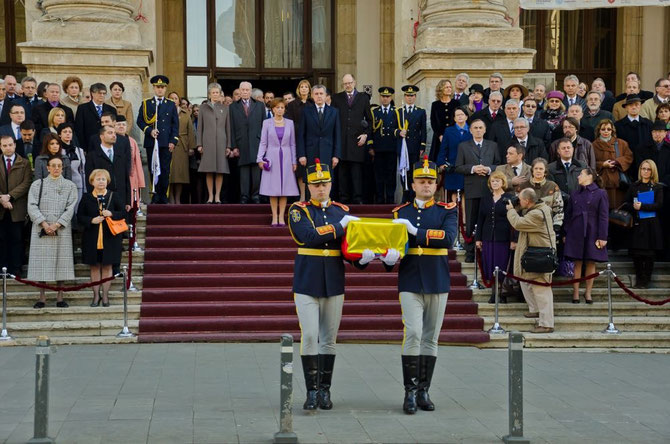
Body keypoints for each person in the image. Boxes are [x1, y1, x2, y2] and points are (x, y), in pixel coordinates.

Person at [287, 160, 370, 411]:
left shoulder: (341, 210)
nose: (321, 189)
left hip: (333, 278)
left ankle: (325, 390)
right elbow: (308, 237)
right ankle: (311, 391)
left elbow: (348, 250)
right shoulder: (298, 210)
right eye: (316, 185)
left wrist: (364, 258)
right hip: (307, 279)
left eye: (324, 184)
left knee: (329, 339)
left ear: (331, 184)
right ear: (307, 186)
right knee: (310, 335)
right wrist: (339, 227)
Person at [387, 156, 457, 414]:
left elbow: (448, 238)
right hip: (410, 277)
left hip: (437, 278)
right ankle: (409, 391)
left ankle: (423, 390)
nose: (426, 185)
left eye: (430, 181)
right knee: (414, 332)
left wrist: (415, 233)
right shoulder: (400, 212)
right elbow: (392, 248)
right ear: (413, 184)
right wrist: (387, 257)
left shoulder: (447, 210)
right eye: (421, 181)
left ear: (436, 184)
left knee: (430, 337)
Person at [27, 156, 78, 308]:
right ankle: (42, 298)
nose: (56, 168)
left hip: (61, 228)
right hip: (41, 228)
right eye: (53, 165)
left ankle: (60, 297)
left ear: (63, 168)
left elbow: (71, 207)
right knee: (41, 264)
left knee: (61, 263)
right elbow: (31, 205)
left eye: (59, 166)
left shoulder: (70, 185)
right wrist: (43, 223)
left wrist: (57, 224)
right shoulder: (38, 184)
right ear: (47, 167)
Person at [506, 187, 556, 333]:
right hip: (535, 254)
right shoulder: (540, 207)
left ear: (527, 201)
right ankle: (535, 309)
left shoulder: (537, 214)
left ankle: (546, 324)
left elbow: (518, 224)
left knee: (541, 289)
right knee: (525, 282)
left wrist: (511, 209)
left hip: (540, 256)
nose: (518, 202)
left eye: (520, 199)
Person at [454, 119, 500, 262]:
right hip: (472, 189)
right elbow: (458, 167)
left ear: (485, 130)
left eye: (481, 127)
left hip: (489, 189)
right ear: (471, 130)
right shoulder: (463, 146)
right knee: (471, 220)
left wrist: (488, 169)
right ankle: (470, 253)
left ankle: (486, 251)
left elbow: (498, 164)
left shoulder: (492, 145)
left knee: (487, 221)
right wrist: (473, 169)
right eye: (475, 128)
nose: (478, 130)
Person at [78, 169, 125, 306]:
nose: (101, 182)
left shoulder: (114, 196)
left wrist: (112, 213)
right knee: (94, 266)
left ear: (107, 181)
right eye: (98, 179)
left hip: (110, 238)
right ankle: (95, 296)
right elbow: (79, 217)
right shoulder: (87, 197)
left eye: (103, 179)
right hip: (92, 237)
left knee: (107, 266)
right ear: (92, 181)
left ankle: (105, 296)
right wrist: (91, 220)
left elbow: (123, 213)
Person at [563, 168, 608, 304]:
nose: (578, 177)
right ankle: (575, 292)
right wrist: (566, 232)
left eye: (581, 174)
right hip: (575, 231)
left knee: (590, 262)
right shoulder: (575, 193)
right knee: (576, 262)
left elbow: (604, 216)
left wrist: (603, 236)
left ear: (589, 176)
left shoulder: (600, 193)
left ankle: (588, 292)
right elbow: (568, 215)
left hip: (593, 231)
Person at [136, 75, 179, 204]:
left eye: (162, 87)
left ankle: (163, 195)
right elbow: (140, 121)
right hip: (151, 142)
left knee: (165, 169)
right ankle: (154, 194)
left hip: (166, 143)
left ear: (165, 89)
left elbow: (174, 125)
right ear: (153, 88)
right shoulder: (146, 104)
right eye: (157, 87)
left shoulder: (170, 104)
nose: (160, 90)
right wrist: (149, 131)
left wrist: (173, 141)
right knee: (152, 168)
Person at [330, 74, 373, 204]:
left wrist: (365, 135)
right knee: (342, 174)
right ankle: (343, 199)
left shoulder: (363, 98)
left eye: (350, 83)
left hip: (357, 142)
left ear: (354, 82)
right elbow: (333, 119)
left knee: (356, 174)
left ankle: (357, 199)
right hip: (341, 142)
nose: (348, 85)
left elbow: (370, 120)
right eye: (345, 83)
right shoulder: (337, 98)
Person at [257, 98, 298, 225]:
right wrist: (259, 158)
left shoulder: (290, 123)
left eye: (282, 107)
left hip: (286, 157)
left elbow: (292, 144)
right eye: (277, 107)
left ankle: (282, 216)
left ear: (284, 109)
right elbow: (263, 142)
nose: (280, 109)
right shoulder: (267, 123)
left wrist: (294, 161)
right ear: (273, 109)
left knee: (284, 188)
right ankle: (274, 216)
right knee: (273, 189)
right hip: (272, 156)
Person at [476, 171, 515, 303]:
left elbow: (514, 220)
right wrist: (478, 239)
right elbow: (480, 218)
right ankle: (493, 293)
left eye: (497, 181)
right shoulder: (485, 198)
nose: (495, 183)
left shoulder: (509, 197)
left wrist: (513, 239)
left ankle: (501, 293)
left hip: (503, 238)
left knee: (501, 265)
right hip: (488, 237)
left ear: (503, 182)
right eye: (493, 181)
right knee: (490, 264)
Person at [624, 160, 663, 288]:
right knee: (637, 253)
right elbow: (626, 203)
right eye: (643, 169)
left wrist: (643, 206)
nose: (645, 171)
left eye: (648, 169)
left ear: (653, 171)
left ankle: (646, 280)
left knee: (649, 254)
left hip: (651, 224)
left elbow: (659, 205)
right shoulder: (634, 186)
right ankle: (640, 279)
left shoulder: (657, 187)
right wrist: (634, 207)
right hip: (637, 223)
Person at [297, 85, 341, 197]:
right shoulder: (306, 111)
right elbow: (301, 134)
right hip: (310, 153)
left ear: (326, 96)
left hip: (328, 152)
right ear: (312, 96)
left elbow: (337, 135)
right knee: (311, 181)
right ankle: (310, 211)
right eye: (316, 94)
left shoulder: (334, 112)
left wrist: (336, 155)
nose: (319, 96)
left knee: (326, 182)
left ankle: (325, 210)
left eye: (321, 94)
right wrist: (301, 154)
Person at [0, 135, 32, 277]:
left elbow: (26, 183)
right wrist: (1, 198)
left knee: (17, 239)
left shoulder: (24, 163)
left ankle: (16, 268)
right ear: (1, 147)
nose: (8, 148)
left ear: (14, 145)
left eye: (10, 145)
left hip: (17, 207)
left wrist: (10, 196)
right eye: (4, 145)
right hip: (0, 207)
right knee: (1, 239)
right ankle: (2, 267)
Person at [229, 81, 264, 204]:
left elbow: (264, 125)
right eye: (242, 90)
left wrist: (264, 144)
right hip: (241, 142)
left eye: (247, 90)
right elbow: (231, 128)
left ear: (251, 91)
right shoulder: (233, 107)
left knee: (256, 171)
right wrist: (234, 146)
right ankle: (244, 196)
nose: (245, 92)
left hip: (256, 142)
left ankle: (255, 196)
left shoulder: (259, 105)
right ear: (239, 91)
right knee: (243, 171)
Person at [197, 83, 231, 204]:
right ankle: (210, 196)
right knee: (209, 170)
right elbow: (200, 127)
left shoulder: (225, 108)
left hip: (221, 142)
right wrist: (199, 144)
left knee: (220, 170)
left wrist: (228, 145)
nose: (215, 95)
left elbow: (228, 128)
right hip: (207, 142)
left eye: (217, 92)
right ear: (209, 94)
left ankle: (217, 196)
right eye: (213, 92)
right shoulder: (203, 108)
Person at [84, 126, 131, 210]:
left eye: (114, 133)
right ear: (101, 136)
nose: (114, 135)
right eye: (110, 133)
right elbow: (89, 180)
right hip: (101, 199)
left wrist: (128, 201)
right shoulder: (92, 156)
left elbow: (126, 178)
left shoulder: (121, 155)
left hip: (121, 198)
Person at [592, 119, 633, 209]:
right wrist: (603, 164)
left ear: (612, 130)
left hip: (619, 183)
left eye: (608, 129)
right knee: (604, 209)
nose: (606, 131)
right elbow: (590, 162)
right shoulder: (593, 145)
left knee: (619, 211)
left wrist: (617, 162)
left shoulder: (621, 143)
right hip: (603, 182)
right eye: (603, 129)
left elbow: (629, 157)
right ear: (599, 131)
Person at [396, 85, 427, 201]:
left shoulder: (420, 111)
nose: (410, 98)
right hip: (403, 146)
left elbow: (423, 130)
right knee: (404, 170)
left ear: (415, 97)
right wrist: (399, 132)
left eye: (412, 95)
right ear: (404, 97)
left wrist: (422, 145)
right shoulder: (399, 111)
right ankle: (405, 193)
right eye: (408, 96)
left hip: (415, 146)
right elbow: (394, 128)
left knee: (414, 170)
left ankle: (413, 195)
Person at [286, 79, 313, 202]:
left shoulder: (312, 103)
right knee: (300, 171)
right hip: (297, 139)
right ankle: (302, 196)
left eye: (306, 87)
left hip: (311, 140)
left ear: (309, 89)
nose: (303, 89)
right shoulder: (292, 105)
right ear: (298, 89)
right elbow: (289, 123)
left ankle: (311, 196)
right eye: (301, 87)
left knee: (311, 168)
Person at [369, 87, 398, 204]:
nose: (385, 99)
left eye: (387, 97)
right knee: (379, 175)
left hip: (391, 147)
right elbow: (370, 130)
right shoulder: (374, 112)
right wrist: (370, 146)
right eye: (383, 96)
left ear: (391, 98)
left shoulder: (396, 111)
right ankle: (380, 198)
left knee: (390, 175)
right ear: (380, 97)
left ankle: (390, 199)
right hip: (378, 148)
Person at [615, 95, 654, 178]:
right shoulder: (618, 126)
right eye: (630, 105)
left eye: (636, 104)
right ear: (626, 107)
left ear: (640, 106)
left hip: (645, 165)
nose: (634, 107)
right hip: (626, 166)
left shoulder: (648, 124)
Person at [519, 158, 564, 230]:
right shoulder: (523, 186)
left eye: (541, 169)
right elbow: (517, 207)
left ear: (545, 172)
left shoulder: (552, 186)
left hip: (546, 226)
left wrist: (556, 225)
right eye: (536, 168)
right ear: (532, 170)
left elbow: (558, 207)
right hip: (527, 226)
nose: (538, 171)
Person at [167, 91, 196, 204]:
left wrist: (191, 147)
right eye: (171, 98)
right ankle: (171, 198)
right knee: (170, 173)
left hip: (182, 145)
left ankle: (178, 198)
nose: (174, 100)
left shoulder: (185, 113)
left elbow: (190, 132)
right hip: (169, 145)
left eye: (175, 98)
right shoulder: (165, 112)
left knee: (180, 175)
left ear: (179, 101)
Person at [437, 107, 471, 201]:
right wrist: (441, 163)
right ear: (454, 118)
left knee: (466, 193)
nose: (460, 117)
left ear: (466, 117)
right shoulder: (448, 131)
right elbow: (443, 148)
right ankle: (454, 215)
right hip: (453, 166)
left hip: (467, 166)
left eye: (462, 114)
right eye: (457, 115)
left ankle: (464, 216)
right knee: (454, 193)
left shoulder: (472, 130)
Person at [75, 83, 116, 152]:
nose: (102, 95)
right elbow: (79, 130)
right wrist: (83, 148)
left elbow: (114, 128)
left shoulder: (111, 109)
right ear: (92, 93)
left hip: (108, 146)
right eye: (99, 93)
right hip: (89, 146)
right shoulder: (82, 108)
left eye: (104, 93)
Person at [114, 116, 144, 209]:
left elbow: (137, 161)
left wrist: (140, 180)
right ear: (114, 126)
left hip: (132, 173)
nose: (121, 126)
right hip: (118, 174)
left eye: (123, 124)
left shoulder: (132, 141)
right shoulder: (112, 140)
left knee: (132, 200)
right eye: (118, 124)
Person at [57, 122, 86, 211]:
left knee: (77, 209)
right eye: (65, 132)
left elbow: (82, 170)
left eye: (70, 132)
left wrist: (85, 188)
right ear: (59, 135)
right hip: (62, 184)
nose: (68, 134)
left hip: (77, 183)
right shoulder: (57, 150)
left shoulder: (79, 150)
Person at [429, 79, 458, 161]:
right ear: (441, 89)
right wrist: (440, 135)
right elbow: (433, 121)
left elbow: (458, 119)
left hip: (453, 135)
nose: (449, 89)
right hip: (439, 137)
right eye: (446, 87)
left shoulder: (456, 103)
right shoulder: (435, 105)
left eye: (450, 87)